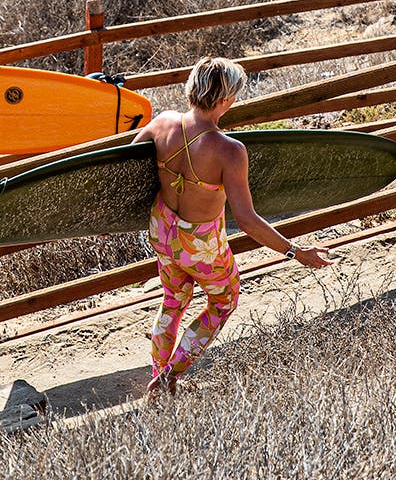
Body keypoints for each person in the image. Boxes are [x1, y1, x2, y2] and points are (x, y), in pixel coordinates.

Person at [134, 58, 333, 397]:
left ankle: (160, 373)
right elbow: (247, 219)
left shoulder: (163, 123)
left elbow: (125, 177)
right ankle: (167, 378)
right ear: (226, 100)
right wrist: (296, 252)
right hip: (201, 246)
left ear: (191, 88)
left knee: (172, 301)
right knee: (224, 302)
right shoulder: (229, 151)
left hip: (163, 232)